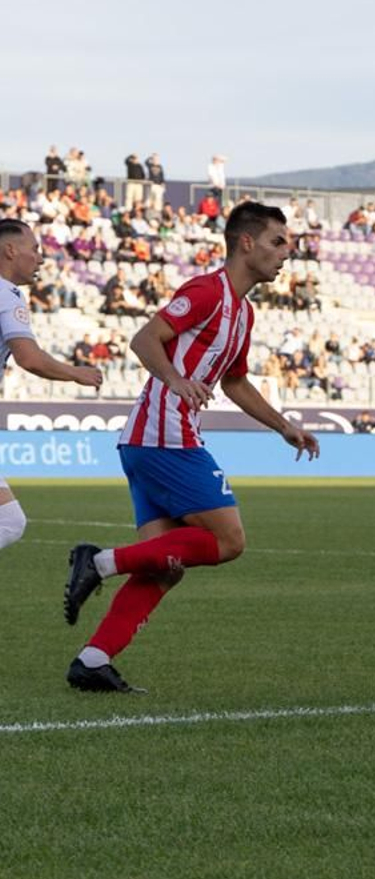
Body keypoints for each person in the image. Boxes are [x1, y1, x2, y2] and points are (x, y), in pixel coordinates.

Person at [61, 202, 320, 693]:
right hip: (165, 435)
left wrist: (283, 426)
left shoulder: (243, 312)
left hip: (147, 440)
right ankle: (98, 562)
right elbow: (144, 339)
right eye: (277, 242)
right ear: (246, 243)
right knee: (229, 540)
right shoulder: (206, 291)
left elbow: (236, 382)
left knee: (164, 566)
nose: (287, 253)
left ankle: (92, 661)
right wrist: (176, 378)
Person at [0, 220, 105, 554]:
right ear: (10, 250)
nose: (40, 258)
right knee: (9, 521)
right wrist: (75, 372)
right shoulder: (8, 295)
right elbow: (28, 358)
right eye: (35, 249)